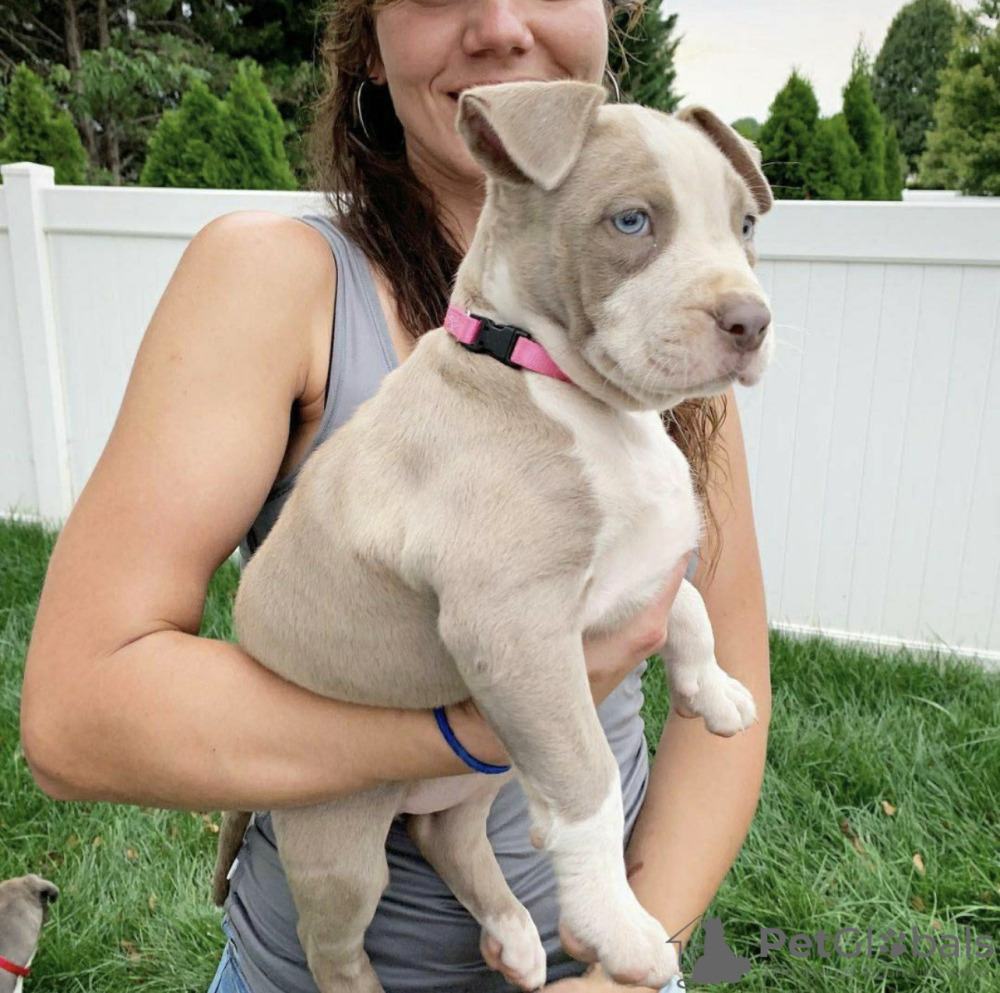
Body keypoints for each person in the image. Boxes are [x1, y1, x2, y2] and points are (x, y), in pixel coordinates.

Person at [19, 0, 772, 990]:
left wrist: (637, 954)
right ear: (366, 44)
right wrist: (463, 737)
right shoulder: (272, 278)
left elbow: (727, 699)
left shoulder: (657, 337)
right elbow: (77, 719)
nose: (499, 25)